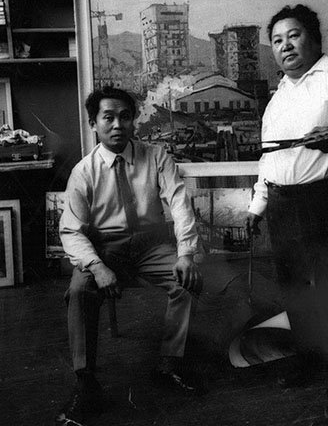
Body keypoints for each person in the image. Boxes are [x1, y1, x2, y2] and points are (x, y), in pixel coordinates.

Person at [247, 4, 328, 422]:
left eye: (294, 35)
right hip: (282, 205)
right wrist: (258, 204)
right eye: (277, 40)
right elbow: (269, 159)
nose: (285, 46)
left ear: (315, 38)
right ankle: (309, 360)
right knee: (295, 292)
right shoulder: (278, 97)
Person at [55, 86, 204, 425]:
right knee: (79, 291)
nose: (117, 125)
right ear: (94, 123)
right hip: (105, 248)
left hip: (150, 245)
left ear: (134, 120)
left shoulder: (156, 156)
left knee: (187, 281)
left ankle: (169, 364)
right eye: (108, 117)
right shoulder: (84, 171)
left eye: (125, 116)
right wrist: (97, 267)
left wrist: (186, 253)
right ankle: (86, 383)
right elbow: (71, 230)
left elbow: (179, 202)